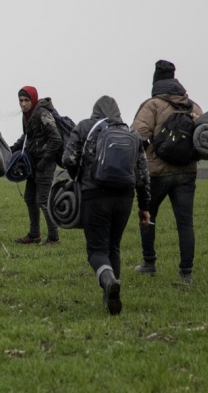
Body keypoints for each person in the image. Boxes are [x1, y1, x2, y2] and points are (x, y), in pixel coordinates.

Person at [62, 95, 152, 315]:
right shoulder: (131, 134)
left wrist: (79, 178)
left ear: (95, 111)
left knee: (96, 249)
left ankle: (108, 280)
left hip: (95, 195)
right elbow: (142, 173)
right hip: (125, 198)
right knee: (114, 247)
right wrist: (144, 206)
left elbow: (68, 159)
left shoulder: (85, 127)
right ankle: (109, 297)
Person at [131, 60, 204, 284]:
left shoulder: (152, 105)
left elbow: (137, 136)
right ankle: (186, 273)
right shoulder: (193, 106)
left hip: (157, 173)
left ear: (156, 82)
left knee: (147, 216)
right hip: (187, 173)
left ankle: (149, 263)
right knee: (185, 223)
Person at [10, 86, 63, 246]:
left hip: (45, 164)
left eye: (26, 100)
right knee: (29, 198)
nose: (23, 104)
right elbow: (27, 137)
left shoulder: (42, 114)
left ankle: (54, 237)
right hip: (32, 164)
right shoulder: (27, 115)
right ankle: (34, 235)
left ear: (33, 100)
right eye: (21, 100)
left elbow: (56, 139)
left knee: (42, 199)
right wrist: (10, 149)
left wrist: (44, 161)